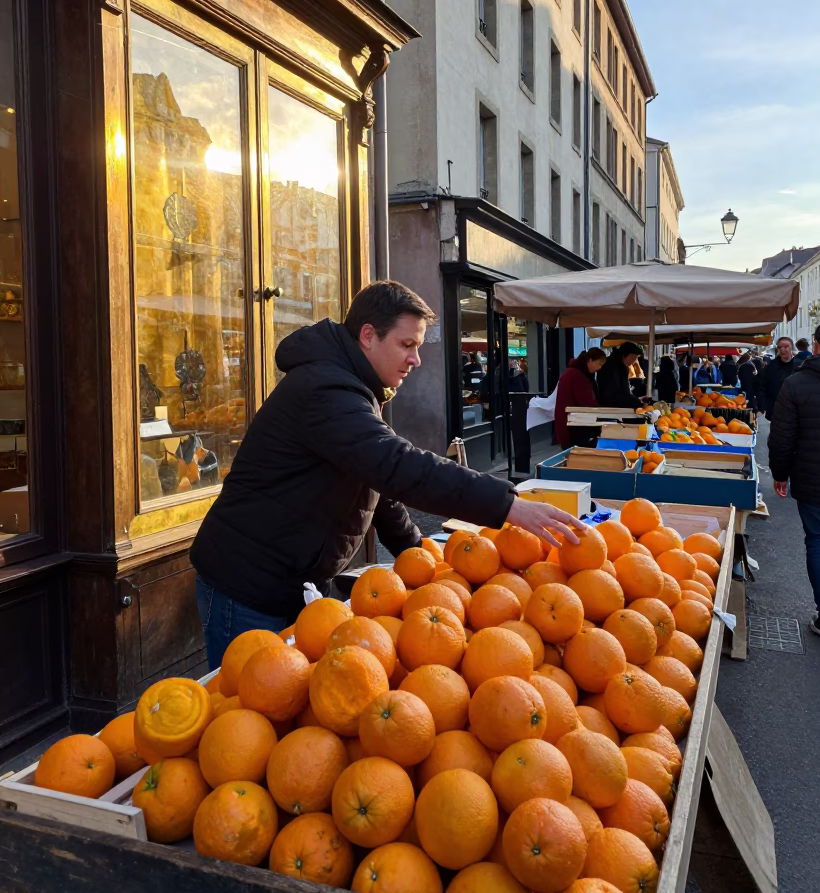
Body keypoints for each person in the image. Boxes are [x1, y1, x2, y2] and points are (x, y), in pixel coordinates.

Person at [190, 281, 584, 666]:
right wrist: (505, 504)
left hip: (289, 579)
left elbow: (377, 484)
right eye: (407, 344)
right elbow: (397, 465)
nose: (416, 359)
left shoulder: (352, 385)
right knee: (251, 708)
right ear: (367, 336)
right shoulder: (325, 389)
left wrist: (417, 557)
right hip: (245, 588)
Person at [768, 321, 820, 638]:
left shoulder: (796, 384)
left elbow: (781, 438)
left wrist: (780, 474)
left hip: (814, 480)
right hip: (816, 479)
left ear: (815, 345)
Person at [553, 347, 607, 449]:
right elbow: (587, 402)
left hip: (574, 426)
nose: (599, 368)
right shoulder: (577, 375)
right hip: (574, 428)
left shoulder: (577, 373)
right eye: (599, 364)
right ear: (590, 360)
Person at [596, 341, 646, 409]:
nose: (633, 361)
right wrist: (637, 403)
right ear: (625, 355)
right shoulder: (612, 367)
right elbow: (618, 393)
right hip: (611, 407)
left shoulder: (620, 365)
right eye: (633, 358)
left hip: (615, 404)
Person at [759, 336, 796, 416]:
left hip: (794, 410)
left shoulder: (799, 366)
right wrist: (763, 406)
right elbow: (762, 386)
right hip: (775, 409)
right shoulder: (770, 367)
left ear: (791, 347)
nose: (782, 349)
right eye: (780, 347)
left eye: (786, 346)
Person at [507, 358, 532, 474]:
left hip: (518, 410)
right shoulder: (520, 376)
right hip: (521, 411)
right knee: (522, 440)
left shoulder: (515, 377)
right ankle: (522, 466)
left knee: (520, 440)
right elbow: (525, 391)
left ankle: (521, 466)